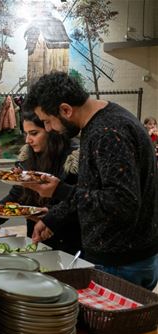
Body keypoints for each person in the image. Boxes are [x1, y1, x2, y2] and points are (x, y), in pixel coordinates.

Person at [23, 71, 158, 290]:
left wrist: (61, 191)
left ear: (66, 110)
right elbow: (93, 189)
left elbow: (122, 202)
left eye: (48, 121)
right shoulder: (104, 120)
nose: (48, 129)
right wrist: (54, 217)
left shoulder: (107, 132)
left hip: (121, 263)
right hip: (125, 258)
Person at [0, 112, 81, 254]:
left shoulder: (73, 160)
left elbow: (78, 202)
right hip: (36, 236)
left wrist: (51, 216)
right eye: (26, 134)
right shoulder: (27, 159)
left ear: (51, 130)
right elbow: (17, 195)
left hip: (67, 240)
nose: (28, 140)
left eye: (34, 133)